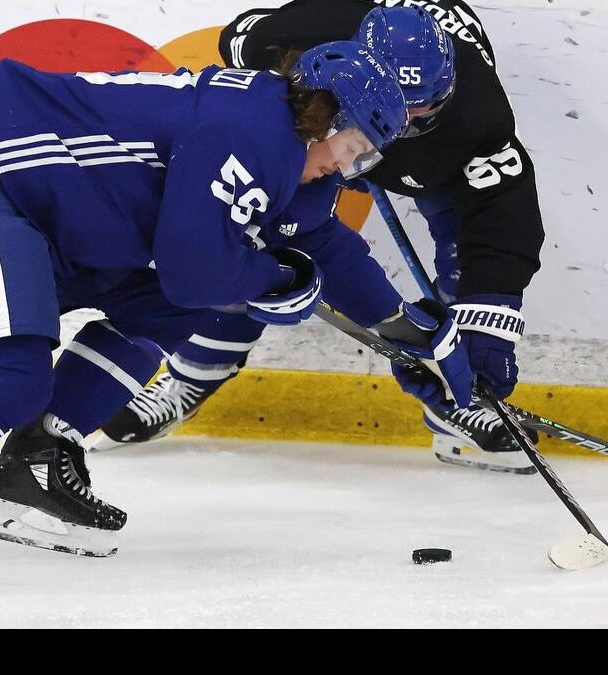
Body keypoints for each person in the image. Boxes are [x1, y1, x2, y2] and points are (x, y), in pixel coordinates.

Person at [0, 41, 473, 599]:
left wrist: (412, 331)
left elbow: (321, 245)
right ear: (322, 115)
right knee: (11, 379)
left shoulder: (288, 147)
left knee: (174, 304)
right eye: (347, 151)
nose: (341, 170)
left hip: (48, 215)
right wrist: (272, 281)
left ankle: (38, 459)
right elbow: (200, 263)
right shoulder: (252, 129)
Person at [101, 1, 546, 473]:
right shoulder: (312, 34)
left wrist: (487, 321)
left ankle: (457, 402)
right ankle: (195, 373)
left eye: (425, 109)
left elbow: (502, 216)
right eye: (401, 108)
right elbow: (243, 40)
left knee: (469, 250)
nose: (407, 123)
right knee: (249, 228)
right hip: (330, 127)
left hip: (427, 162)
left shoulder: (475, 116)